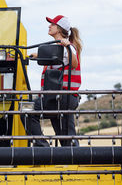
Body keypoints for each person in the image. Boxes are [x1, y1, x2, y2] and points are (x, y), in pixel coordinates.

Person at [26, 15, 82, 147]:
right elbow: (54, 56)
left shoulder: (67, 47)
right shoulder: (58, 47)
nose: (49, 26)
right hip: (64, 98)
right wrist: (33, 55)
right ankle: (75, 160)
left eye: (52, 24)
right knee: (66, 138)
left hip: (60, 98)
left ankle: (42, 146)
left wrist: (68, 48)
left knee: (26, 111)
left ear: (59, 28)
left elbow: (74, 63)